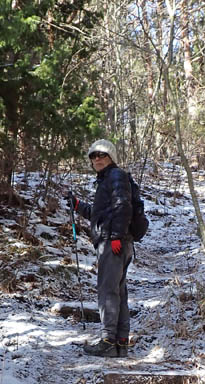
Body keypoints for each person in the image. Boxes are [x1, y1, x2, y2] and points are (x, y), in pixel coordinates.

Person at [65, 139, 133, 357]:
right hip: (118, 241)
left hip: (113, 242)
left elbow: (123, 206)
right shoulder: (108, 180)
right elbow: (101, 214)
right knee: (117, 290)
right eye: (93, 156)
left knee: (107, 291)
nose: (97, 159)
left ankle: (108, 341)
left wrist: (115, 236)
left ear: (111, 157)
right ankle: (120, 342)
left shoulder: (115, 176)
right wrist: (77, 206)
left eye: (101, 155)